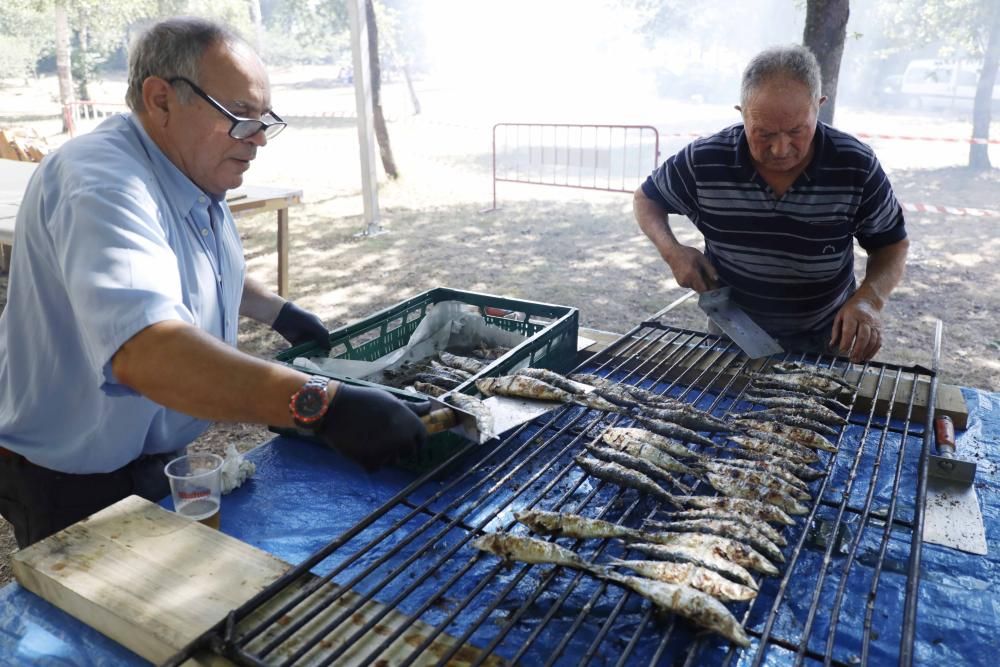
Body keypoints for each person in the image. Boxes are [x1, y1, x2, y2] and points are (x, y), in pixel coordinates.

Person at [0, 17, 428, 549]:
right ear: (160, 100)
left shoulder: (190, 171)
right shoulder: (102, 181)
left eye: (264, 120)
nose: (258, 140)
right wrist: (322, 405)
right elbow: (146, 353)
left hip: (152, 452)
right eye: (240, 117)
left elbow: (193, 265)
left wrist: (277, 312)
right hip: (69, 471)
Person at [635, 45, 909, 364]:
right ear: (742, 112)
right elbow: (646, 199)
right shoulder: (704, 160)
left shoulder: (854, 164)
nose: (780, 149)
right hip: (733, 336)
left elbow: (891, 245)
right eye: (763, 133)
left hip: (826, 340)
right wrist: (673, 252)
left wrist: (869, 300)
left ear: (818, 107)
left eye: (796, 131)